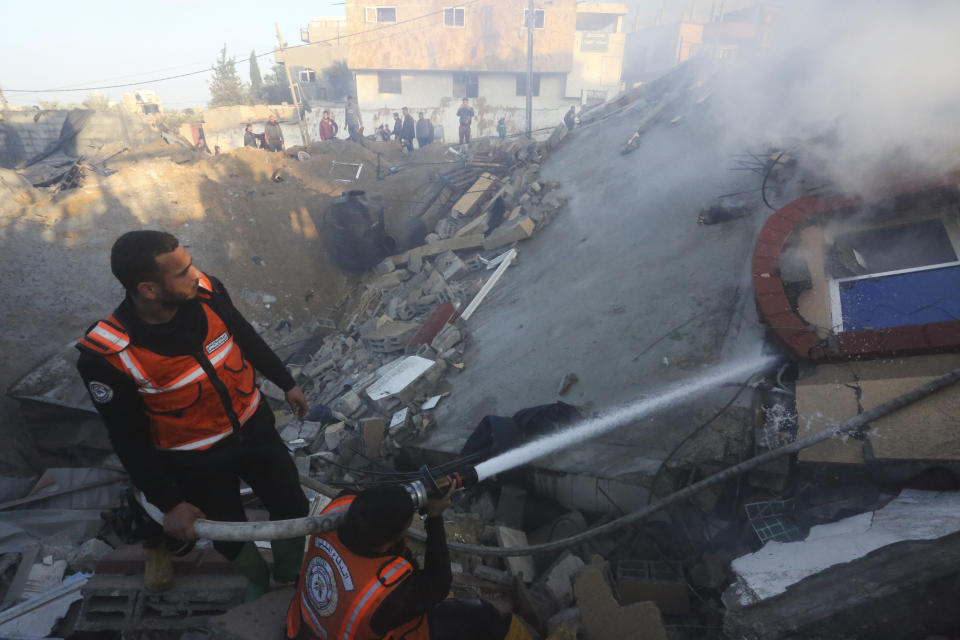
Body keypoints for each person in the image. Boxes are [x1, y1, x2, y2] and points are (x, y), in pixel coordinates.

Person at [75, 231, 310, 601]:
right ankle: (257, 581)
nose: (196, 274)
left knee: (293, 505)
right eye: (182, 272)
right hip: (197, 460)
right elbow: (128, 438)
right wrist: (170, 504)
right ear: (149, 289)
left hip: (255, 429)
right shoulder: (109, 356)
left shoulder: (208, 292)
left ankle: (289, 571)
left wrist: (286, 382)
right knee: (226, 531)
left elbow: (244, 336)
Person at [285, 485, 533, 640]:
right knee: (483, 616)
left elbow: (368, 500)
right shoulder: (384, 593)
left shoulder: (338, 508)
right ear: (388, 543)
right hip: (360, 629)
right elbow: (438, 584)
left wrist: (401, 498)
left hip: (303, 626)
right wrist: (434, 516)